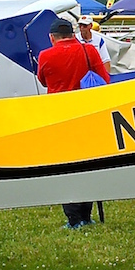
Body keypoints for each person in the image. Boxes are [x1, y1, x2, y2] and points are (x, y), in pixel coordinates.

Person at [37, 17, 110, 230]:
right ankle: (86, 215)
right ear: (73, 34)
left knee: (65, 167)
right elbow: (104, 79)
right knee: (87, 164)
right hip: (86, 114)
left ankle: (73, 218)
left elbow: (43, 80)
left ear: (52, 37)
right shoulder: (90, 51)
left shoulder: (45, 56)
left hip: (58, 116)